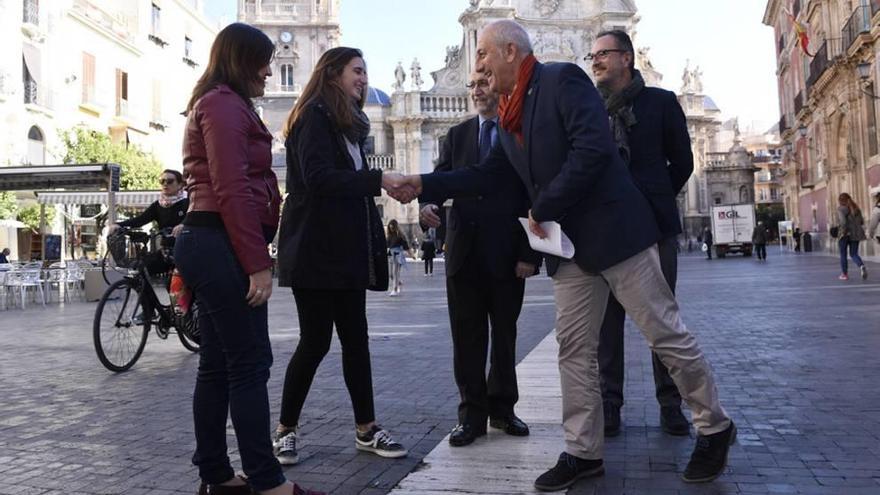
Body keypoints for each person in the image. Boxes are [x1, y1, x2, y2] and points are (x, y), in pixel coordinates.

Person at [387, 20, 734, 490]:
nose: (479, 66)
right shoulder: (508, 119)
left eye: (484, 55)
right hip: (570, 249)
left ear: (511, 52)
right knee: (573, 349)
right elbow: (488, 175)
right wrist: (424, 184)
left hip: (616, 234)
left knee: (663, 332)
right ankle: (583, 450)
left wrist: (543, 207)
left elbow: (592, 151)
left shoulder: (561, 80)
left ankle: (714, 425)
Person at [174, 22, 321, 495]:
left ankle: (217, 476)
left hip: (214, 240)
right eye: (261, 61)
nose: (267, 71)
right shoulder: (221, 104)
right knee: (250, 362)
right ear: (241, 60)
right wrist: (257, 261)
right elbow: (231, 186)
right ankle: (267, 481)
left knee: (219, 364)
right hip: (220, 243)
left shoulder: (225, 103)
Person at [273, 46, 408, 467]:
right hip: (316, 248)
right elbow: (317, 179)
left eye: (366, 72)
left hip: (345, 249)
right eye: (357, 71)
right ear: (332, 73)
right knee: (315, 342)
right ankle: (285, 431)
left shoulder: (345, 124)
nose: (363, 79)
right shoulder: (314, 115)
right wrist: (378, 179)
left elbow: (344, 181)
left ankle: (366, 428)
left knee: (356, 341)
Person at [419, 71, 541, 447]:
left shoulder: (518, 133)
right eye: (472, 85)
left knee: (504, 336)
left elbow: (532, 194)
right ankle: (471, 416)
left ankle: (503, 409)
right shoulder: (456, 136)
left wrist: (528, 254)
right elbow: (441, 178)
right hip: (464, 253)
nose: (476, 91)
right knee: (467, 338)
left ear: (501, 89)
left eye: (484, 84)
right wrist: (428, 202)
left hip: (508, 255)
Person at [588, 30, 693, 438]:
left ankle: (671, 405)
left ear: (626, 58)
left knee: (662, 320)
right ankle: (610, 404)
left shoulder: (661, 103)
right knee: (608, 324)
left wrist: (652, 196)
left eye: (603, 54)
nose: (595, 60)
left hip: (654, 227)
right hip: (607, 231)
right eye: (592, 54)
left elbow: (681, 162)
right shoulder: (589, 108)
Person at [112, 169, 189, 234]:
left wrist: (183, 225)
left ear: (180, 185)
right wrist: (118, 225)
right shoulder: (158, 205)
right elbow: (141, 219)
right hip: (165, 246)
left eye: (170, 181)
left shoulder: (188, 202)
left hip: (185, 244)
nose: (165, 184)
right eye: (162, 181)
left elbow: (194, 219)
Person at [836, 192, 868, 280]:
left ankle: (844, 274)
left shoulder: (841, 209)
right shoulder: (856, 209)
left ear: (840, 201)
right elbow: (861, 221)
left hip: (845, 234)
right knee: (854, 253)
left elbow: (843, 223)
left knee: (843, 254)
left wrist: (843, 231)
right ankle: (861, 265)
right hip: (856, 234)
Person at [386, 219, 410, 295]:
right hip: (391, 256)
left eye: (392, 227)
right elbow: (386, 246)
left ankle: (394, 289)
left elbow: (406, 246)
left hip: (398, 255)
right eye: (390, 227)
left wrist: (411, 254)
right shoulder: (389, 236)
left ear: (395, 227)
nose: (391, 228)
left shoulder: (400, 235)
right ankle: (399, 283)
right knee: (391, 275)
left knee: (395, 272)